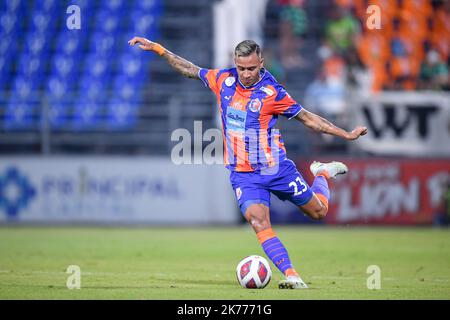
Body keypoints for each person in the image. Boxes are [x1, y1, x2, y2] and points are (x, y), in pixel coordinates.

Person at [128, 37, 368, 289]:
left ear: (261, 63)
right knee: (258, 221)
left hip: (276, 168)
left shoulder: (272, 92)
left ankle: (322, 173)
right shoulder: (224, 80)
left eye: (251, 68)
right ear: (235, 64)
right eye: (241, 68)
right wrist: (159, 49)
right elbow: (190, 69)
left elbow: (308, 119)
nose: (246, 74)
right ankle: (292, 274)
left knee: (318, 212)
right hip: (244, 174)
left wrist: (345, 134)